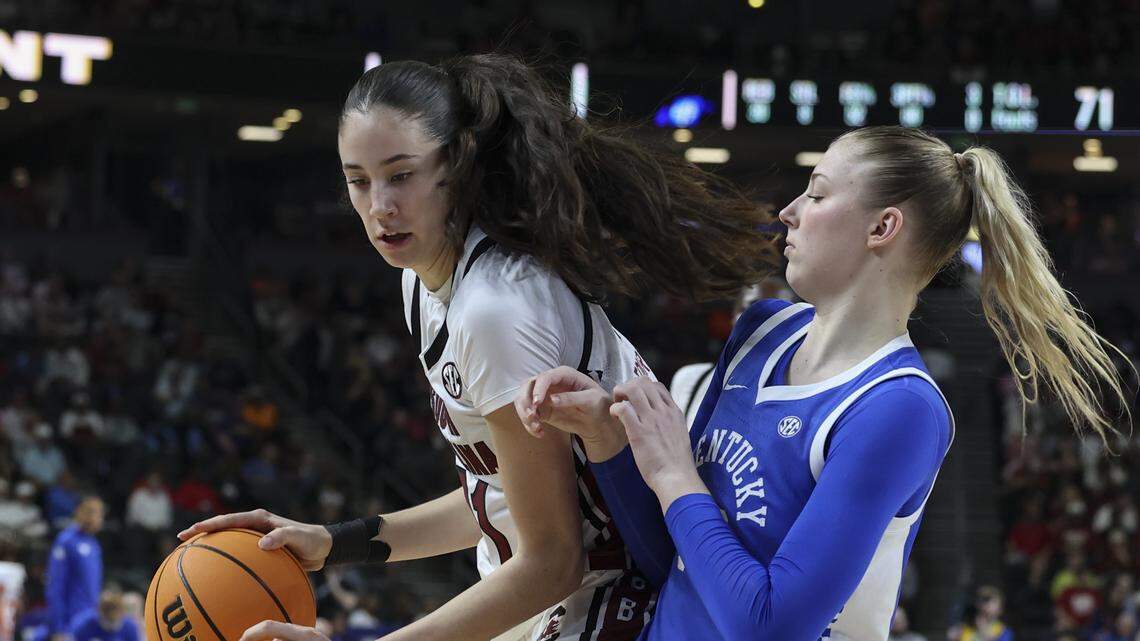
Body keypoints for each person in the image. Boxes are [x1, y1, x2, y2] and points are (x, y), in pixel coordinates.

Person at [179, 53, 777, 641]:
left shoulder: (495, 308)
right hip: (554, 592)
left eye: (401, 174)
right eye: (358, 182)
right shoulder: (424, 282)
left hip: (614, 597)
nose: (380, 206)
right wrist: (334, 542)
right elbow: (496, 500)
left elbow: (553, 559)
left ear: (455, 166)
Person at [517, 126, 1133, 641]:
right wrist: (606, 440)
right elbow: (667, 559)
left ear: (882, 228)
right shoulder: (760, 330)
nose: (788, 211)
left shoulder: (899, 407)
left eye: (815, 193)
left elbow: (771, 627)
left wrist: (674, 474)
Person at [46, 496, 104, 641]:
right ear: (80, 513)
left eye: (99, 513)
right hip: (69, 623)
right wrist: (58, 627)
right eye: (92, 512)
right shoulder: (66, 541)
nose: (98, 518)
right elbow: (55, 585)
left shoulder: (94, 545)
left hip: (90, 621)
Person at [68, 590, 139, 641]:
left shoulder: (130, 627)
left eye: (114, 621)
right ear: (100, 612)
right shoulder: (83, 624)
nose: (112, 626)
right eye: (109, 620)